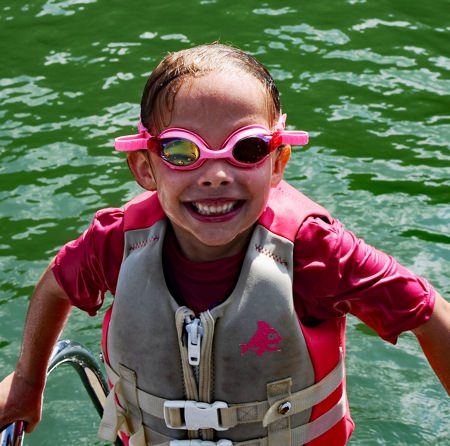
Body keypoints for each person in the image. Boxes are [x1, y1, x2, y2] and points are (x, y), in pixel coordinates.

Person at [0, 43, 449, 446]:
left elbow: (428, 312)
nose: (215, 174)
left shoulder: (316, 250)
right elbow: (57, 284)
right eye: (181, 151)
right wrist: (26, 385)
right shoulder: (117, 243)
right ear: (144, 167)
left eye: (248, 149)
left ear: (277, 162)